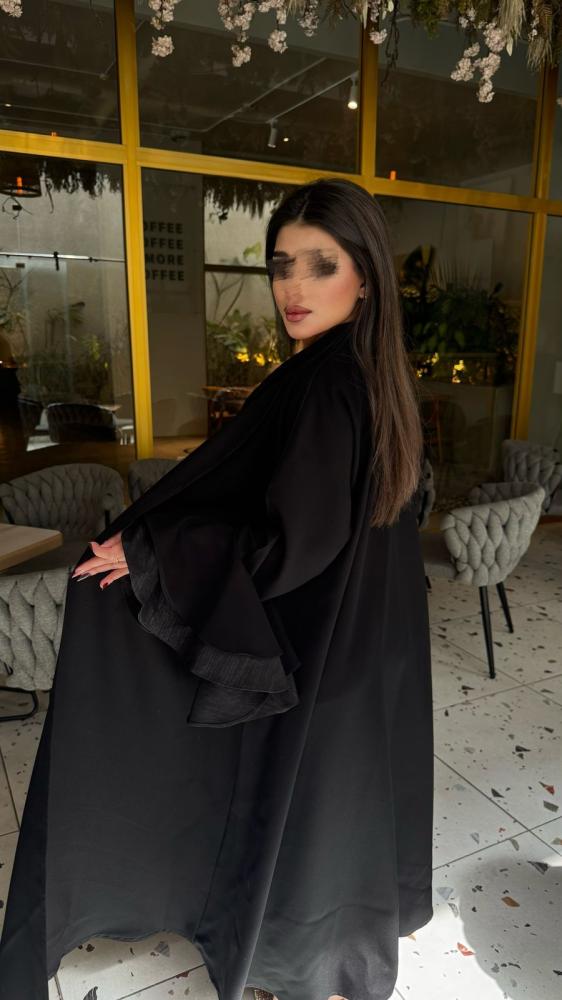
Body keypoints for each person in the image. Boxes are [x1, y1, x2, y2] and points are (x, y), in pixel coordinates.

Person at [0, 178, 434, 1000]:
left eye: (321, 265)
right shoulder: (369, 374)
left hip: (325, 648)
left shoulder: (330, 384)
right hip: (361, 643)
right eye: (281, 266)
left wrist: (158, 556)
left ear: (366, 276)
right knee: (329, 813)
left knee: (304, 809)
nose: (294, 288)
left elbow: (290, 542)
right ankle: (317, 958)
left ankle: (289, 964)